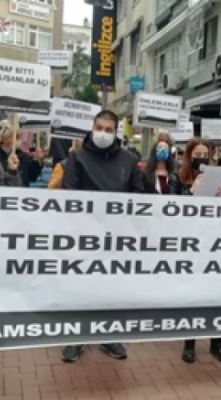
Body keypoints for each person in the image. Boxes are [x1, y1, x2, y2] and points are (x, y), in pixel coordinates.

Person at [60, 110, 143, 363]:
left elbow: (139, 198)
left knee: (111, 288)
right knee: (80, 286)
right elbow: (68, 196)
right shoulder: (77, 158)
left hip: (117, 238)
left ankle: (109, 335)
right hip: (84, 236)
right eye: (99, 128)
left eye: (109, 130)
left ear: (116, 132)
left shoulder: (129, 161)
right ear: (92, 127)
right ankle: (76, 336)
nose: (103, 133)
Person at [168, 137, 221, 363]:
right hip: (189, 244)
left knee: (216, 295)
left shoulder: (216, 177)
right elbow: (171, 209)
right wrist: (191, 193)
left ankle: (217, 342)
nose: (201, 159)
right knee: (192, 296)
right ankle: (189, 343)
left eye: (205, 155)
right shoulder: (177, 178)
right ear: (189, 156)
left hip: (212, 242)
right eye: (197, 155)